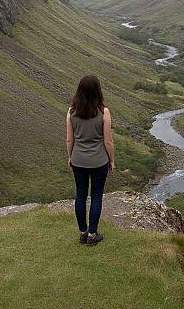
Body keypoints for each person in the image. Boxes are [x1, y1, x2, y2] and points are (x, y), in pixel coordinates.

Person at [66, 74, 115, 245]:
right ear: (98, 91)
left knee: (80, 196)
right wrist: (112, 160)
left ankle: (82, 232)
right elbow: (107, 141)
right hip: (99, 161)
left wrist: (70, 157)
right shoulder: (104, 112)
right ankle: (93, 235)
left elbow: (69, 140)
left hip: (78, 160)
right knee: (96, 196)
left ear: (79, 91)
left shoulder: (71, 112)